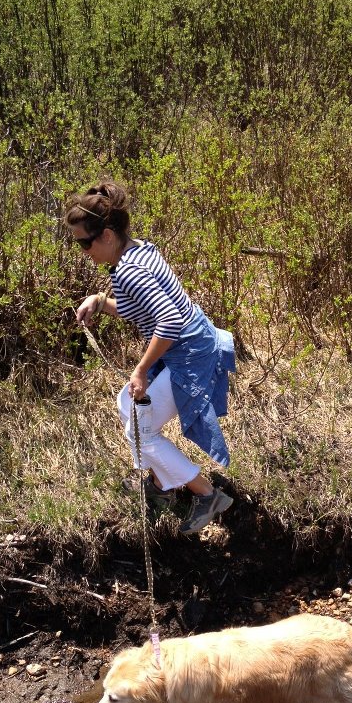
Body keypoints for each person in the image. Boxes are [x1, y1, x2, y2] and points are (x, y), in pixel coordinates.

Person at [67, 179, 235, 535]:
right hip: (190, 343)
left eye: (84, 243)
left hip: (189, 354)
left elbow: (169, 320)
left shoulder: (130, 271)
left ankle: (206, 495)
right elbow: (142, 308)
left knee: (140, 432)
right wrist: (100, 301)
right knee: (126, 405)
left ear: (107, 235)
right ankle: (162, 484)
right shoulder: (137, 250)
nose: (83, 252)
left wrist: (141, 370)